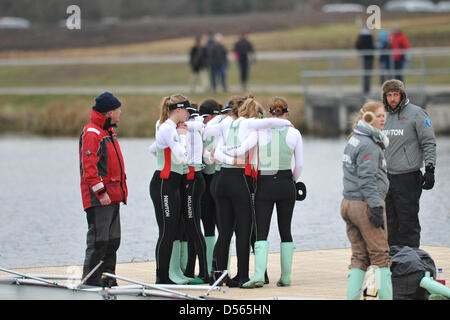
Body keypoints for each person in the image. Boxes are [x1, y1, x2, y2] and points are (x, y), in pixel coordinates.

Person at [211, 97, 292, 288]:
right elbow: (269, 124)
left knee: (224, 232)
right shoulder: (252, 124)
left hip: (221, 178)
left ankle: (218, 276)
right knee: (244, 231)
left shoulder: (226, 124)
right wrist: (287, 122)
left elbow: (216, 152)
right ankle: (242, 276)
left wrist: (229, 159)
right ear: (254, 113)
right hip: (239, 181)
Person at [341, 100, 392, 300]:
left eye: (384, 117)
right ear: (368, 118)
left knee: (360, 257)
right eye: (378, 116)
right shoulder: (368, 144)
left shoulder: (354, 138)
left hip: (347, 203)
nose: (382, 120)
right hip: (364, 204)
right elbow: (367, 179)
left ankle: (351, 298)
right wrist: (377, 207)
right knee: (381, 255)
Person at [79, 92, 128, 287]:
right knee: (99, 241)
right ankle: (91, 280)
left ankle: (107, 278)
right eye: (118, 109)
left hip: (114, 197)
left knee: (113, 240)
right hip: (100, 199)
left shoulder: (108, 131)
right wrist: (101, 193)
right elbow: (89, 168)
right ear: (109, 112)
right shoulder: (92, 133)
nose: (120, 112)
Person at [381, 80, 437, 249]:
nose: (392, 99)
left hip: (408, 176)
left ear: (402, 95)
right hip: (386, 177)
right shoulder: (381, 115)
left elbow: (428, 142)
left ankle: (412, 260)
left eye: (395, 95)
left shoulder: (416, 114)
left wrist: (430, 169)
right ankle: (394, 262)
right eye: (389, 95)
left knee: (408, 221)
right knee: (389, 222)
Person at [149, 94, 191, 284]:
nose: (189, 114)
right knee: (166, 231)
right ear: (179, 110)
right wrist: (182, 138)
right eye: (187, 110)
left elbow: (152, 149)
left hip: (172, 182)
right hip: (164, 183)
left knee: (175, 228)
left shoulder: (169, 128)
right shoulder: (167, 128)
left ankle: (171, 273)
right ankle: (162, 277)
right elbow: (183, 157)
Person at [355, 27, 375, 96]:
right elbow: (372, 47)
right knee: (367, 74)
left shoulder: (361, 36)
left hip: (364, 58)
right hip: (369, 58)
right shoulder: (369, 36)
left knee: (365, 74)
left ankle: (365, 89)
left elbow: (357, 45)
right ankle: (367, 89)